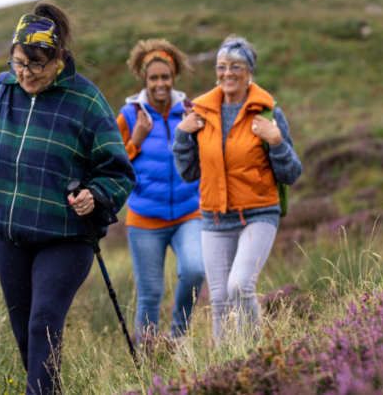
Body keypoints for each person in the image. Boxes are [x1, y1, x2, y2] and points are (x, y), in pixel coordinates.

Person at [0, 1, 135, 395]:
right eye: (18, 62)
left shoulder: (86, 101)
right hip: (9, 235)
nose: (25, 73)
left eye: (36, 65)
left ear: (58, 58)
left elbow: (118, 171)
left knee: (43, 321)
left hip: (66, 237)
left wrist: (94, 195)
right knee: (26, 336)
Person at [171, 35, 302, 342]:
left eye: (236, 66)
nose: (227, 72)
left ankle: (256, 355)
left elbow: (291, 173)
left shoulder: (269, 113)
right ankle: (226, 363)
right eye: (221, 66)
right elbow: (189, 173)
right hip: (215, 218)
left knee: (240, 286)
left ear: (250, 72)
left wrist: (276, 141)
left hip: (259, 214)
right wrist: (181, 135)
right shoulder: (200, 113)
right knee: (219, 301)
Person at [116, 39, 204, 343]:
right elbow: (112, 164)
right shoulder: (130, 115)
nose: (160, 83)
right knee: (150, 294)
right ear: (144, 78)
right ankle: (147, 361)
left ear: (174, 76)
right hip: (144, 219)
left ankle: (178, 338)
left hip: (189, 213)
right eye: (153, 77)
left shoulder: (191, 111)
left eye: (165, 77)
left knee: (195, 271)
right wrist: (135, 141)